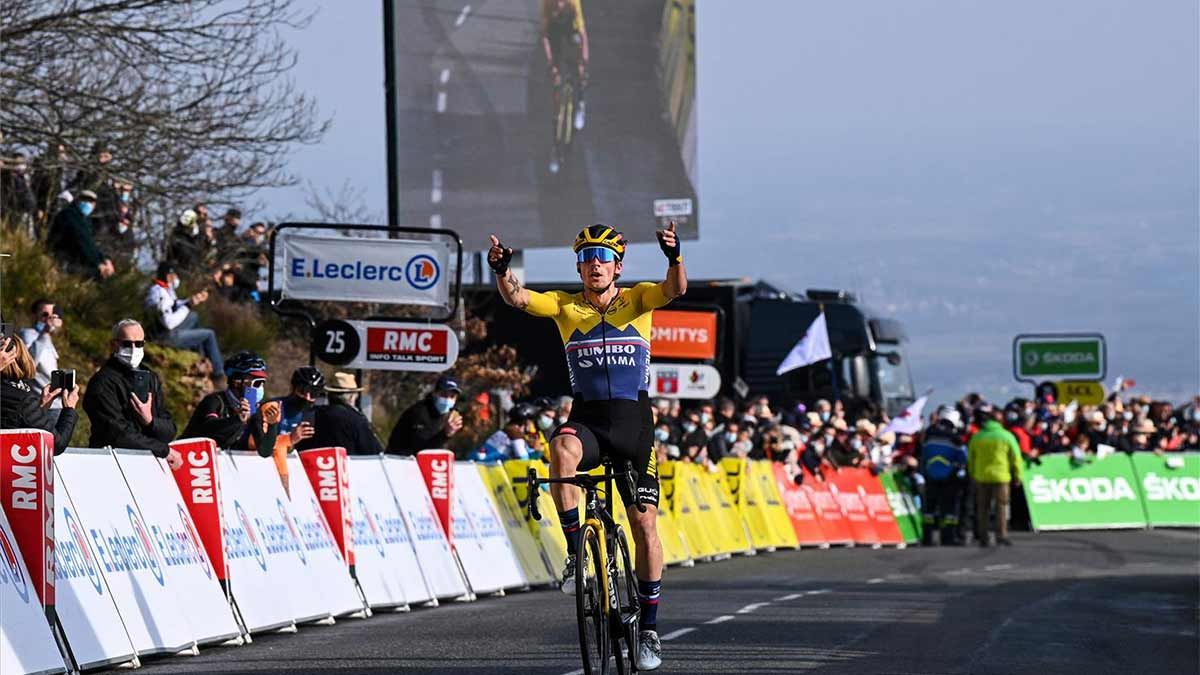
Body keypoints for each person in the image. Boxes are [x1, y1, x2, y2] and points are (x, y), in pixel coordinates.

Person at [489, 220, 685, 670]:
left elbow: (674, 290)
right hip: (589, 421)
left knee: (644, 525)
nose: (593, 264)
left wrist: (674, 258)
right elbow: (519, 298)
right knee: (561, 447)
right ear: (578, 267)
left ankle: (650, 630)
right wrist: (501, 271)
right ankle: (578, 554)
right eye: (585, 258)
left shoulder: (637, 298)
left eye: (602, 258)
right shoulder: (564, 306)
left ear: (617, 265)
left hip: (634, 427)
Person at [82, 320, 181, 466]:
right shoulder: (102, 383)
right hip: (111, 464)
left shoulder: (151, 377)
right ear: (114, 345)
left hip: (148, 465)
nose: (134, 349)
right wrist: (162, 450)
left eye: (139, 344)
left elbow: (169, 430)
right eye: (127, 344)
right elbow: (116, 434)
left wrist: (150, 421)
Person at [181, 352, 281, 455]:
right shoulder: (214, 401)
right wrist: (237, 419)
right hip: (186, 455)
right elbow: (207, 429)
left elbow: (264, 451)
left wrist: (272, 425)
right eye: (257, 382)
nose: (260, 388)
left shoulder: (252, 409)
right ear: (237, 382)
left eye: (262, 383)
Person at [0, 335, 79, 454]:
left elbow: (21, 421)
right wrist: (69, 409)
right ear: (22, 359)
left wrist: (41, 407)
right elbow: (56, 444)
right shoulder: (22, 399)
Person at [144, 261, 224, 378]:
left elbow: (173, 305)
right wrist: (188, 306)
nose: (176, 278)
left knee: (193, 316)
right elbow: (168, 323)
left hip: (163, 332)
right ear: (168, 275)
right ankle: (218, 374)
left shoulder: (164, 289)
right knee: (209, 334)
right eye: (174, 275)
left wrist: (191, 300)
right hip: (163, 337)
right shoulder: (158, 293)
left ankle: (198, 357)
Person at [967, 408, 1023, 547]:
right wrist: (1018, 475)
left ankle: (983, 536)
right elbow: (1016, 458)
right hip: (1001, 477)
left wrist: (973, 474)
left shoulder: (977, 436)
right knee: (1001, 508)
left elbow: (971, 459)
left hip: (982, 477)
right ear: (1001, 421)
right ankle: (1001, 535)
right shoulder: (1006, 436)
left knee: (983, 508)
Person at [294, 372, 384, 456]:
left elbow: (298, 446)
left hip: (310, 469)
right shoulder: (356, 419)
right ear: (351, 397)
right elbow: (373, 453)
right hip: (348, 470)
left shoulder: (309, 415)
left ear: (329, 395)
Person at [919, 411, 967, 546]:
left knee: (929, 510)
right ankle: (948, 538)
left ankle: (927, 538)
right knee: (949, 511)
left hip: (930, 476)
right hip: (949, 478)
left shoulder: (928, 437)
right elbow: (963, 458)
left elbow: (922, 455)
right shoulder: (955, 439)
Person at [541, 0, 590, 131]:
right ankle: (556, 117)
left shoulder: (574, 2)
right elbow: (545, 36)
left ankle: (580, 102)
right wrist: (551, 62)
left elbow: (582, 34)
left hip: (571, 29)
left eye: (561, 2)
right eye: (556, 2)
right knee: (555, 78)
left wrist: (584, 59)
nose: (558, 4)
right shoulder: (546, 3)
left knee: (579, 64)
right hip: (555, 29)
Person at [386, 375, 464, 455]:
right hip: (398, 460)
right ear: (435, 393)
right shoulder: (420, 412)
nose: (447, 400)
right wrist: (445, 434)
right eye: (444, 395)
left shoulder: (446, 414)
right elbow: (422, 450)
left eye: (452, 396)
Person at [46, 189, 115, 279]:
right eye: (85, 200)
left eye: (91, 202)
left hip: (73, 260)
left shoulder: (84, 220)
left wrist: (105, 259)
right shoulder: (69, 215)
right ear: (78, 200)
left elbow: (91, 243)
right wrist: (98, 264)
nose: (88, 204)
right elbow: (82, 240)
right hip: (62, 261)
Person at [17, 299, 63, 423]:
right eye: (44, 314)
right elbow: (29, 362)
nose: (49, 319)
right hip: (41, 403)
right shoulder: (28, 334)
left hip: (55, 402)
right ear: (33, 315)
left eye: (52, 315)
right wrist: (45, 333)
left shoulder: (45, 336)